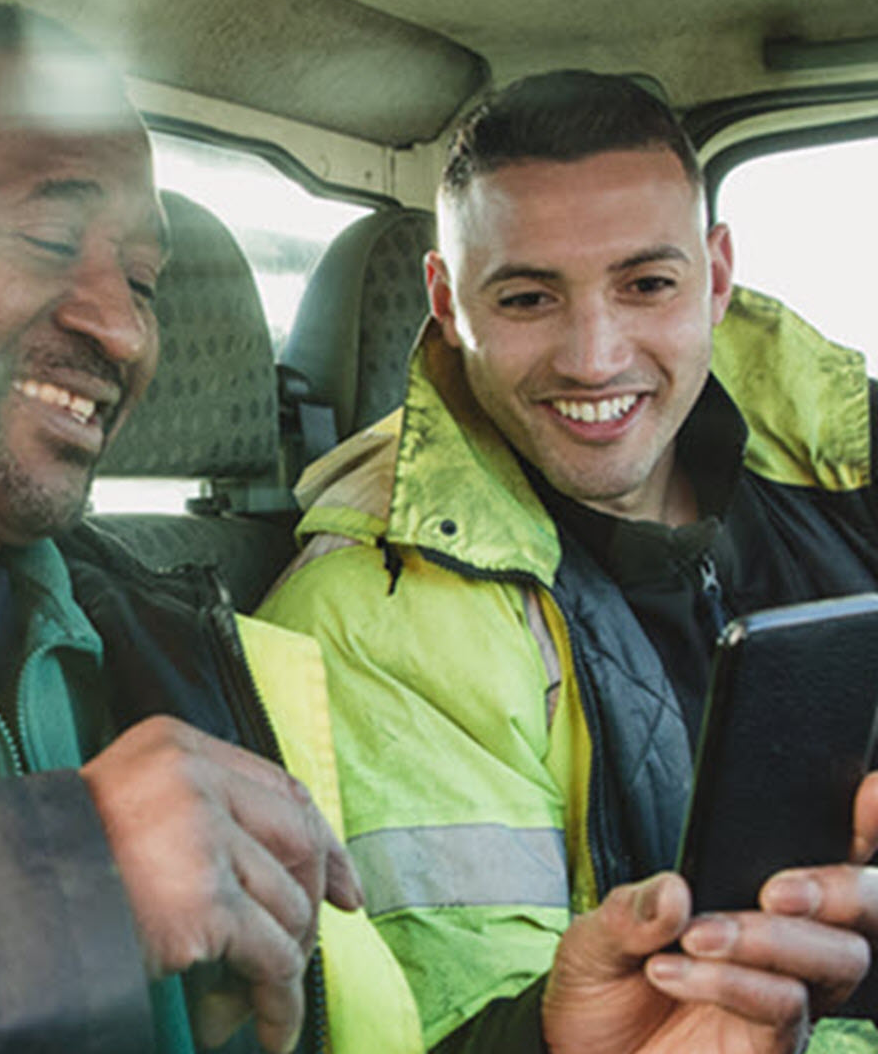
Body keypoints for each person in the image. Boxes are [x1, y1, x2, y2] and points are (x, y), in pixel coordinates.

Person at [0, 1, 422, 1054]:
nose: (125, 326)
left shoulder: (222, 661)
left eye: (144, 278)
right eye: (48, 236)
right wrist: (61, 885)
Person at [258, 70, 878, 1052]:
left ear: (716, 277)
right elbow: (487, 1014)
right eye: (528, 297)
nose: (594, 356)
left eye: (646, 285)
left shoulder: (846, 475)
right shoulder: (368, 614)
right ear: (449, 304)